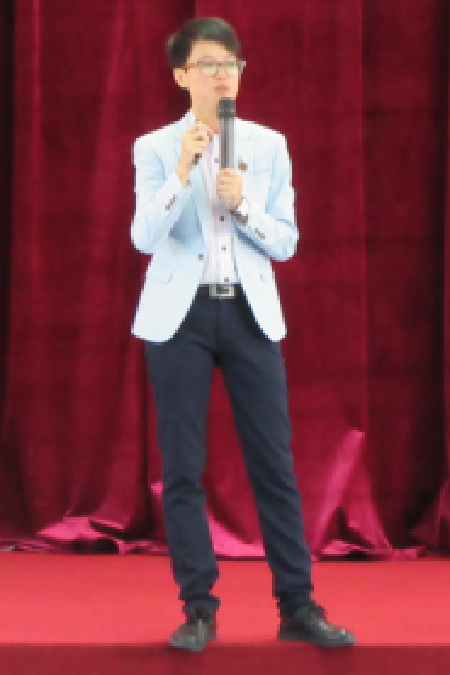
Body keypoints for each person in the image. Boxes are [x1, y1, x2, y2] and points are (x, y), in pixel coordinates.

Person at [130, 16, 355, 652]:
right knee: (182, 468)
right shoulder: (155, 147)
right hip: (180, 318)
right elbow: (144, 237)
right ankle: (198, 608)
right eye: (208, 64)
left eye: (231, 63)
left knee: (275, 465)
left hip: (250, 315)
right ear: (182, 76)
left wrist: (245, 203)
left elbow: (286, 242)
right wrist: (182, 171)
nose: (223, 74)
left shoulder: (268, 145)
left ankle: (298, 606)